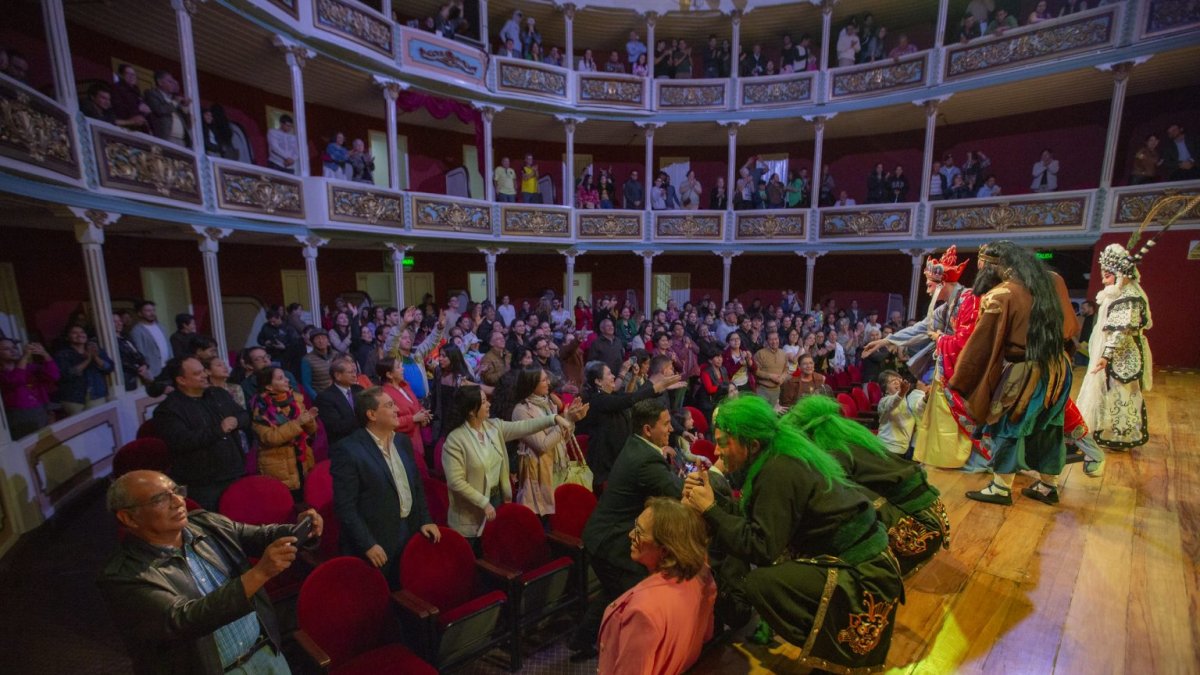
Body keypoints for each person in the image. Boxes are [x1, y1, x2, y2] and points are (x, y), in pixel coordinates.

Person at [682, 396, 903, 671]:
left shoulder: (778, 469)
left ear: (752, 445)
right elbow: (759, 519)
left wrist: (711, 509)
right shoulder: (777, 454)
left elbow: (762, 547)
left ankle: (829, 641)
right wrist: (713, 499)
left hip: (862, 572)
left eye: (724, 442)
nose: (717, 451)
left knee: (758, 583)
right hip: (868, 558)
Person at [97, 470, 321, 674]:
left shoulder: (206, 523)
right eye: (159, 499)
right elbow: (184, 620)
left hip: (265, 653)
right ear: (128, 517)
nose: (178, 502)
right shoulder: (123, 576)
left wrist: (300, 530)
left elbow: (261, 536)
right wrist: (260, 573)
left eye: (176, 491)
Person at [952, 241, 1071, 506]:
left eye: (983, 265)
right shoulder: (1049, 282)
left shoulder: (1002, 294)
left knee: (1006, 425)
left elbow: (982, 343)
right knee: (1049, 427)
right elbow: (1070, 328)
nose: (981, 270)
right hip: (1058, 368)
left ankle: (1000, 487)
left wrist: (965, 376)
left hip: (1023, 372)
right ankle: (1047, 486)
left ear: (995, 266)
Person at [783, 395, 948, 577]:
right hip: (933, 513)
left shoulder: (833, 450)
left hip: (917, 529)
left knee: (844, 499)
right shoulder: (849, 433)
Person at [572, 399, 685, 660]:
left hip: (603, 533)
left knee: (615, 589)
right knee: (637, 591)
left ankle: (582, 639)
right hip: (610, 539)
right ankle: (629, 652)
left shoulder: (636, 445)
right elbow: (677, 493)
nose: (671, 429)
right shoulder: (646, 460)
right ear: (647, 429)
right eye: (665, 424)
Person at [442, 386, 583, 545]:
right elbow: (456, 481)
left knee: (496, 548)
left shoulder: (493, 427)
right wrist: (483, 502)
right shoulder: (455, 441)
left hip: (497, 499)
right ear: (471, 410)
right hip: (472, 511)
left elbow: (524, 426)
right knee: (476, 554)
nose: (489, 404)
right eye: (483, 402)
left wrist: (553, 418)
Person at [331, 387, 438, 587]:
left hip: (409, 529)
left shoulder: (402, 441)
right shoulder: (348, 450)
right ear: (371, 414)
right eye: (390, 405)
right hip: (377, 539)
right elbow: (345, 507)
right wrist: (367, 544)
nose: (397, 409)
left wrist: (425, 519)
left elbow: (415, 485)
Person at [597, 498, 717, 674]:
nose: (631, 534)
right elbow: (706, 635)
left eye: (639, 532)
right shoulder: (702, 577)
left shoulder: (642, 610)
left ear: (665, 550)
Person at [1077, 243, 1153, 451]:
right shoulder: (1117, 295)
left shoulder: (1129, 297)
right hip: (1115, 356)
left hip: (1123, 356)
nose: (1104, 280)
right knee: (1109, 392)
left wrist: (1106, 355)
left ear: (1121, 274)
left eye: (1108, 275)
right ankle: (1105, 432)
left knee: (1121, 394)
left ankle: (1120, 437)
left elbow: (1121, 330)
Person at [153, 357, 250, 511]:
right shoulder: (168, 409)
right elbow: (181, 442)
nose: (205, 375)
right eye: (198, 373)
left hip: (234, 471)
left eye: (204, 370)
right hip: (203, 483)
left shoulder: (217, 394)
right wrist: (219, 430)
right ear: (181, 380)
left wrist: (236, 421)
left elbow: (244, 416)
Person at [576, 360, 682, 486]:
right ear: (598, 381)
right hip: (607, 465)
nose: (613, 376)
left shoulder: (611, 395)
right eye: (609, 374)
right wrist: (656, 387)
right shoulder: (597, 400)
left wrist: (645, 382)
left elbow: (629, 396)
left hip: (619, 458)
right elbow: (630, 399)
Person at [250, 366, 318, 493]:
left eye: (285, 376)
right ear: (269, 387)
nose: (287, 380)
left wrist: (309, 420)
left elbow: (311, 431)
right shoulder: (260, 409)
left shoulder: (296, 400)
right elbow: (270, 438)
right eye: (281, 378)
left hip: (302, 459)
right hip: (279, 466)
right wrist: (298, 422)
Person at [377, 357, 431, 478]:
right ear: (389, 374)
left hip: (417, 438)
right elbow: (389, 422)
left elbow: (415, 405)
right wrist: (413, 418)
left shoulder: (405, 386)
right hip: (403, 443)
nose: (403, 369)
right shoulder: (385, 394)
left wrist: (423, 414)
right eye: (398, 367)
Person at [0, 338, 58, 439]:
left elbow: (54, 376)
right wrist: (25, 356)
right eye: (6, 349)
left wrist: (45, 354)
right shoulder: (2, 374)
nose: (13, 350)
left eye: (14, 347)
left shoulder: (30, 367)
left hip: (40, 411)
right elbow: (16, 380)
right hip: (19, 418)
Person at [54, 325, 114, 415]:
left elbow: (109, 368)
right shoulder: (63, 354)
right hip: (73, 399)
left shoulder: (95, 349)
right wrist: (88, 360)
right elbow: (67, 374)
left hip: (96, 395)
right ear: (67, 337)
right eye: (74, 333)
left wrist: (95, 357)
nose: (79, 335)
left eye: (82, 332)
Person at [875, 370, 927, 457]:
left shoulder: (905, 400)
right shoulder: (884, 402)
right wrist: (902, 392)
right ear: (885, 389)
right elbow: (892, 403)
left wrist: (926, 398)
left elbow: (917, 408)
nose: (897, 382)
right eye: (892, 381)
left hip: (903, 449)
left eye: (899, 379)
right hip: (887, 448)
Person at [315, 356, 363, 448]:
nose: (354, 375)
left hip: (363, 438)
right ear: (338, 376)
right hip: (343, 443)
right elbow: (336, 427)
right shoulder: (325, 397)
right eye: (350, 372)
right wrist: (364, 417)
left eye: (354, 371)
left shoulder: (359, 390)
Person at [129, 300, 172, 379]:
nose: (152, 313)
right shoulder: (137, 331)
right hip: (154, 371)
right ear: (140, 313)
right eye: (148, 311)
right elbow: (140, 353)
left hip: (168, 367)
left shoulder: (161, 327)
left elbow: (168, 346)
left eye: (153, 310)